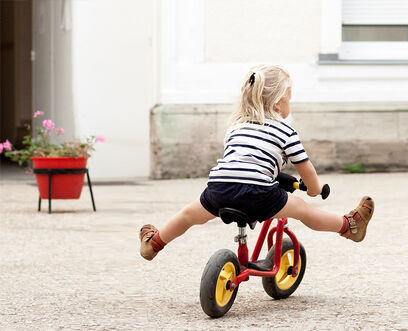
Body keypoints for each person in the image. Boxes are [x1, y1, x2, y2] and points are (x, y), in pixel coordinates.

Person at [139, 64, 374, 261]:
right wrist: (314, 189)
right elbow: (305, 167)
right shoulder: (286, 131)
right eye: (289, 100)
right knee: (304, 210)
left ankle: (155, 243)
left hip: (219, 188)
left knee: (188, 215)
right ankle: (349, 226)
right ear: (278, 104)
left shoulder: (236, 127)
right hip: (259, 192)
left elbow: (242, 161)